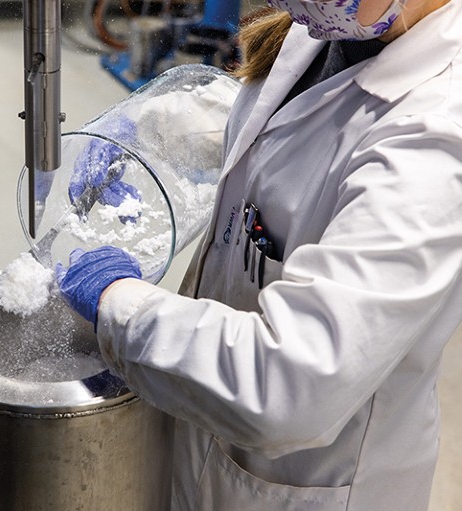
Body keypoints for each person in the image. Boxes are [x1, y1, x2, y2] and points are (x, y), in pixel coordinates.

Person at [56, 0, 462, 509]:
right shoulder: (343, 28)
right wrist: (151, 127)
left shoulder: (433, 144)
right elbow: (288, 125)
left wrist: (119, 303)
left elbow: (291, 384)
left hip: (303, 483)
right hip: (210, 449)